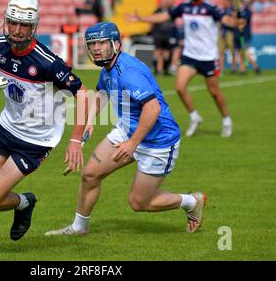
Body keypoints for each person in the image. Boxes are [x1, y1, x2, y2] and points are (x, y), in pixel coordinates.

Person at [45, 22, 206, 237]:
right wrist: (90, 121)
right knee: (90, 175)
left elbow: (153, 108)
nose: (96, 48)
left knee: (138, 202)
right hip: (127, 129)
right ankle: (79, 228)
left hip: (158, 141)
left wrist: (132, 144)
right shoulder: (108, 68)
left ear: (117, 44)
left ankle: (191, 201)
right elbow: (102, 93)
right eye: (92, 44)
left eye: (101, 43)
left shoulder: (129, 72)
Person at [0, 0, 88, 254]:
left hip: (36, 141)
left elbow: (84, 94)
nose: (18, 31)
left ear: (34, 26)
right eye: (13, 23)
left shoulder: (48, 62)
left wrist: (75, 139)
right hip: (6, 128)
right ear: (5, 22)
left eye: (25, 25)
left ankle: (24, 203)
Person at [126, 0, 245, 138]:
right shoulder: (184, 7)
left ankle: (226, 120)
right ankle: (194, 117)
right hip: (190, 56)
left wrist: (236, 22)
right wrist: (142, 18)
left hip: (209, 57)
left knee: (214, 92)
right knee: (180, 87)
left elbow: (226, 20)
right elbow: (163, 16)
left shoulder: (210, 7)